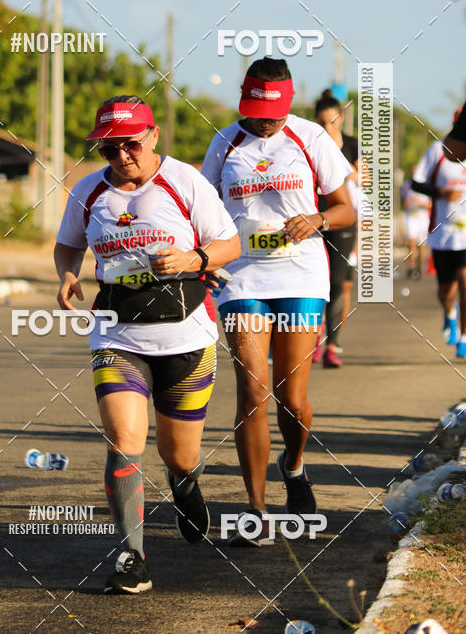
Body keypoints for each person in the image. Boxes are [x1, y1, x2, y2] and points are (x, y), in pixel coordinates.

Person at [54, 96, 239, 593]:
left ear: (153, 136)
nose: (121, 156)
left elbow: (230, 244)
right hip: (117, 333)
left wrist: (195, 258)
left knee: (179, 455)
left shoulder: (185, 182)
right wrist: (69, 275)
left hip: (186, 336)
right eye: (110, 148)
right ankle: (132, 555)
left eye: (130, 144)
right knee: (124, 441)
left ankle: (185, 485)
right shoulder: (89, 191)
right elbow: (68, 242)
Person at [201, 59, 355, 544]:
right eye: (257, 113)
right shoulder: (224, 143)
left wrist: (319, 220)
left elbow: (348, 207)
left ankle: (294, 465)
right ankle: (255, 511)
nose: (266, 123)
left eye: (273, 114)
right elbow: (200, 206)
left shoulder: (312, 139)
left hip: (302, 277)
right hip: (241, 277)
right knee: (252, 393)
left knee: (292, 397)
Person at [313, 89, 360, 368]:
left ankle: (333, 345)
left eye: (331, 122)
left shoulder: (352, 145)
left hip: (343, 219)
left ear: (340, 119)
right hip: (314, 218)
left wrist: (348, 169)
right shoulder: (311, 145)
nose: (326, 127)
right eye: (320, 123)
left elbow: (363, 178)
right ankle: (316, 338)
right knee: (315, 282)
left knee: (337, 283)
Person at [412, 122, 466, 357]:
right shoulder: (438, 150)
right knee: (445, 290)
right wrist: (441, 192)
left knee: (465, 281)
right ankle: (450, 313)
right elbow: (416, 183)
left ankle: (464, 337)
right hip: (442, 234)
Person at [400, 168, 431, 280]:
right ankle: (410, 268)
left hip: (422, 217)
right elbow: (403, 201)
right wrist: (407, 203)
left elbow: (431, 205)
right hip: (411, 217)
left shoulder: (427, 184)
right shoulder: (406, 185)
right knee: (411, 243)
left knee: (421, 245)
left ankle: (419, 268)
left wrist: (420, 204)